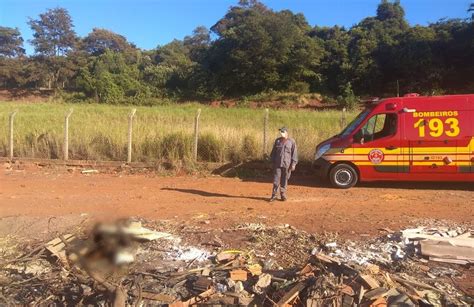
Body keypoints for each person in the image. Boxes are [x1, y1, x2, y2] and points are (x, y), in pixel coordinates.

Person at [269, 127, 298, 202]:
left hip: (287, 164)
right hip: (277, 164)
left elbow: (294, 154)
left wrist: (293, 164)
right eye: (281, 132)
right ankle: (274, 195)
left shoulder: (292, 142)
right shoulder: (277, 141)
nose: (281, 133)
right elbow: (273, 152)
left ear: (286, 132)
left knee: (285, 180)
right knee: (276, 180)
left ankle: (283, 195)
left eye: (283, 131)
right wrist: (271, 162)